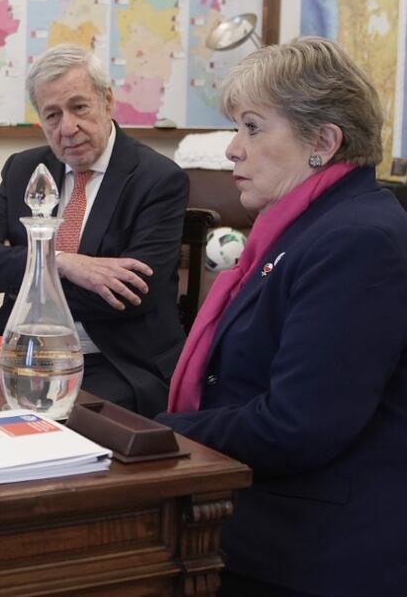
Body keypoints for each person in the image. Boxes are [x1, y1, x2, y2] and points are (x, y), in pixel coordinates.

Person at [157, 37, 407, 596]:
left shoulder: (358, 239)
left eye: (252, 127)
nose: (232, 150)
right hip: (253, 523)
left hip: (314, 552)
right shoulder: (301, 228)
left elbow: (299, 425)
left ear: (323, 141)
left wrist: (155, 433)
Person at [0, 44, 188, 417]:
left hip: (114, 360)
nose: (67, 128)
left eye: (79, 107)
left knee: (47, 424)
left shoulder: (157, 179)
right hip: (23, 355)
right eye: (52, 115)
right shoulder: (24, 169)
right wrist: (65, 262)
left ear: (108, 102)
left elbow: (128, 296)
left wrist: (23, 274)